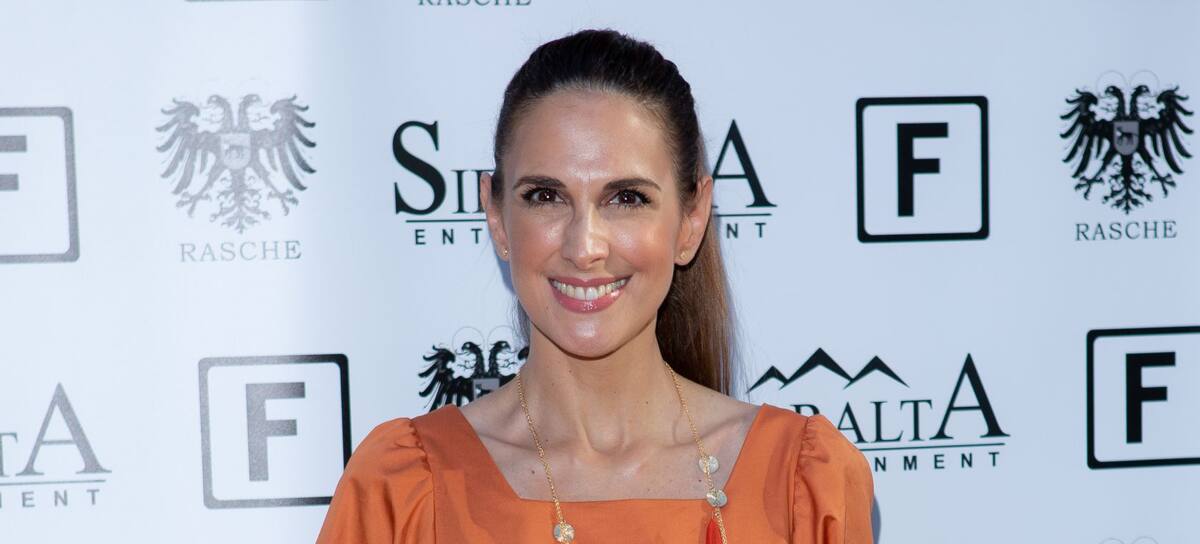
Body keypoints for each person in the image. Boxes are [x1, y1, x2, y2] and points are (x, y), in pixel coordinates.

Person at [316, 29, 873, 543]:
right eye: (546, 196)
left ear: (691, 219)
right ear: (496, 217)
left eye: (627, 198)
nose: (584, 247)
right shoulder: (405, 492)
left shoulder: (804, 485)